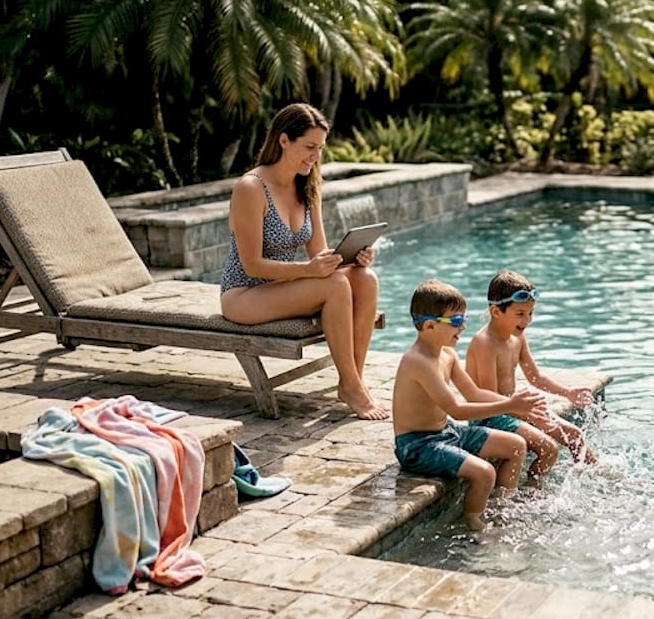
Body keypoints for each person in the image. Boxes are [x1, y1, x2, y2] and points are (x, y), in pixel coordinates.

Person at [219, 103, 388, 421]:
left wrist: (355, 260)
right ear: (283, 140)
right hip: (243, 294)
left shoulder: (307, 187)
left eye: (320, 148)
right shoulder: (251, 188)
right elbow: (252, 264)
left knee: (365, 279)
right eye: (309, 147)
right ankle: (352, 386)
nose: (315, 156)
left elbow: (320, 256)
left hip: (285, 287)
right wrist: (310, 271)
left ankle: (352, 381)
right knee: (336, 285)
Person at [393, 279, 550, 530]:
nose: (464, 326)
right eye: (456, 321)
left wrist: (517, 405)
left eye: (463, 319)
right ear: (430, 325)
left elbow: (474, 393)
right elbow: (456, 408)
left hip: (447, 432)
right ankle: (474, 524)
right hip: (418, 445)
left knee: (517, 445)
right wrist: (510, 404)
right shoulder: (418, 361)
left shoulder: (447, 354)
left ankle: (503, 508)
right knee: (484, 473)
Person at [465, 269, 599, 468]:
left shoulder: (517, 337)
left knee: (575, 435)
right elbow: (488, 396)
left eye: (530, 312)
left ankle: (598, 475)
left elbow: (535, 376)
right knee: (547, 448)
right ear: (496, 311)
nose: (527, 320)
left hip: (514, 409)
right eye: (520, 314)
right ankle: (531, 493)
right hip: (489, 417)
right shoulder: (485, 343)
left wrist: (568, 393)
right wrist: (527, 414)